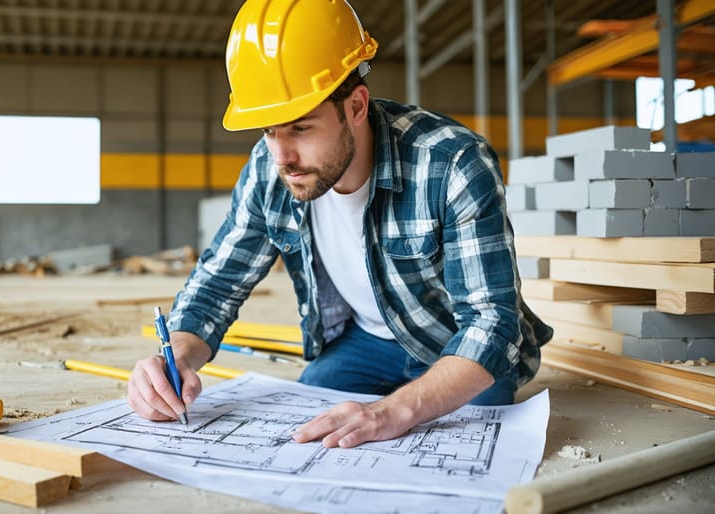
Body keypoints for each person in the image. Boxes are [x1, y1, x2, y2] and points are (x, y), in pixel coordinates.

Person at [128, 0, 552, 449]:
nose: (282, 157)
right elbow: (216, 286)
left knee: (481, 425)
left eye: (301, 129)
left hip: (456, 347)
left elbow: (491, 325)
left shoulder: (452, 163)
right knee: (314, 417)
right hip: (367, 343)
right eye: (268, 131)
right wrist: (174, 359)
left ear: (355, 105)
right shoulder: (269, 169)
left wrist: (394, 411)